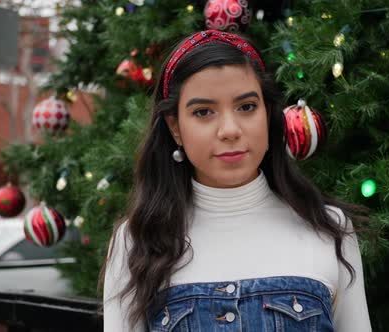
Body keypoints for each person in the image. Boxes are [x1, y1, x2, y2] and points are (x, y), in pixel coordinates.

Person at [102, 30, 372, 332]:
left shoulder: (328, 228)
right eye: (204, 112)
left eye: (246, 107)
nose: (230, 130)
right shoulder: (136, 242)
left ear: (268, 115)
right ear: (175, 127)